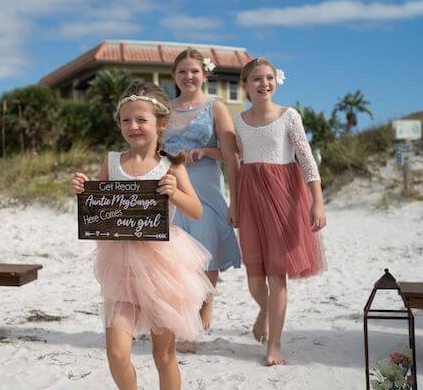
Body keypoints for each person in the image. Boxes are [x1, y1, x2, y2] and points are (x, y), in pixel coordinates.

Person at [71, 82, 214, 389]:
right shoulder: (112, 161)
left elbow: (196, 211)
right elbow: (99, 206)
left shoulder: (171, 164)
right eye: (125, 120)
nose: (132, 126)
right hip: (120, 266)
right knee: (117, 353)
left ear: (161, 124)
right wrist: (83, 192)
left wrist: (174, 193)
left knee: (163, 356)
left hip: (163, 266)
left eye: (141, 120)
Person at [234, 57, 327, 365]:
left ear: (276, 81)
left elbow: (306, 158)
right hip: (250, 197)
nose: (264, 83)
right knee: (254, 277)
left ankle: (274, 345)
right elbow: (233, 156)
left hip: (284, 197)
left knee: (277, 275)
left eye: (269, 77)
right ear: (245, 85)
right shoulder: (238, 120)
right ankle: (263, 309)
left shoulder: (289, 116)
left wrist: (317, 201)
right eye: (257, 79)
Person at [163, 48, 242, 352]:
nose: (188, 76)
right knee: (176, 257)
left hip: (207, 184)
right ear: (175, 76)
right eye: (182, 71)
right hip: (172, 186)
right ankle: (186, 319)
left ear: (204, 74)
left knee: (206, 251)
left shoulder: (216, 107)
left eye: (194, 71)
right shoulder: (164, 109)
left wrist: (208, 152)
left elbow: (232, 155)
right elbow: (153, 151)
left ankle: (202, 310)